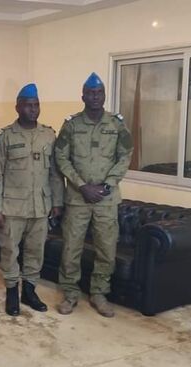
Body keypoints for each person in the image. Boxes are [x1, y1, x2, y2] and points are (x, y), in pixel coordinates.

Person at [54, 72, 133, 318]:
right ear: (83, 96)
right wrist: (81, 186)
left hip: (106, 199)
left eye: (99, 93)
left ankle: (99, 293)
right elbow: (61, 157)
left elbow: (125, 156)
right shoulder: (71, 125)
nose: (95, 97)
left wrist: (107, 185)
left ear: (104, 96)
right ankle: (70, 293)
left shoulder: (116, 125)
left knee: (106, 249)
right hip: (78, 198)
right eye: (90, 93)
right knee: (71, 248)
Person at [0, 83, 64, 316]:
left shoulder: (48, 135)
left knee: (36, 251)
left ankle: (30, 291)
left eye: (36, 105)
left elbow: (55, 173)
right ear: (17, 107)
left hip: (40, 206)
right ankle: (12, 291)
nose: (33, 110)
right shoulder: (5, 136)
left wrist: (57, 202)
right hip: (12, 206)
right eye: (28, 105)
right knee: (9, 251)